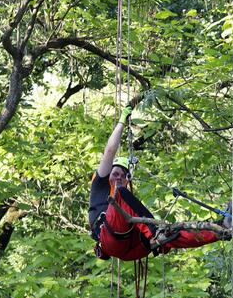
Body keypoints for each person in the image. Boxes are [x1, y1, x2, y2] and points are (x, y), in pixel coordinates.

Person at [89, 106, 220, 260]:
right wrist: (121, 122)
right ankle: (156, 230)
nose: (119, 177)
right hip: (110, 239)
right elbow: (110, 151)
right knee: (124, 197)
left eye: (123, 176)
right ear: (108, 173)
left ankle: (220, 230)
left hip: (131, 249)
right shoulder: (101, 185)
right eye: (116, 173)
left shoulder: (126, 201)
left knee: (172, 235)